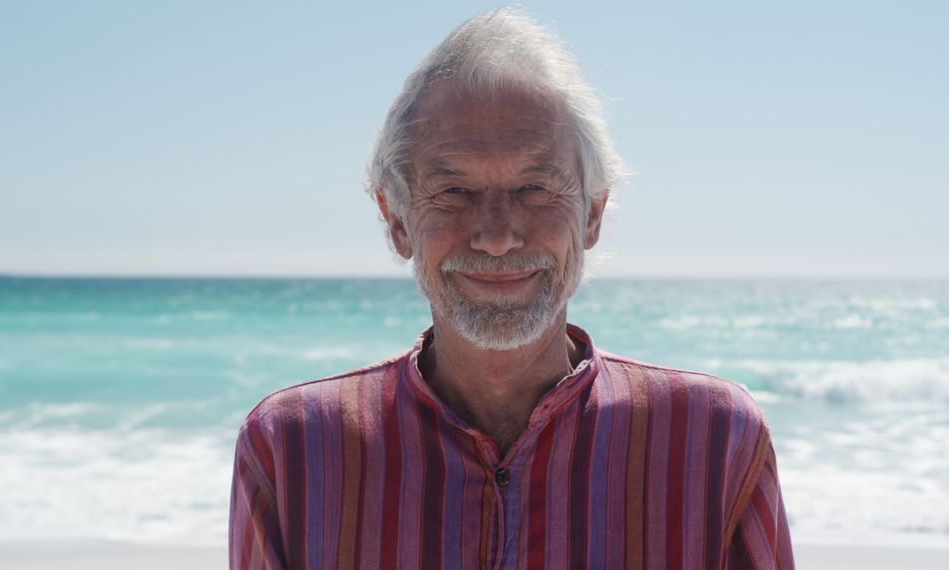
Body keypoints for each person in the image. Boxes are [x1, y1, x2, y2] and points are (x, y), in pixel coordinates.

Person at [230, 8, 793, 569]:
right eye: (454, 190)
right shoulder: (291, 450)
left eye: (534, 187)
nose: (497, 236)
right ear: (396, 219)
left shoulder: (715, 440)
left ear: (592, 214)